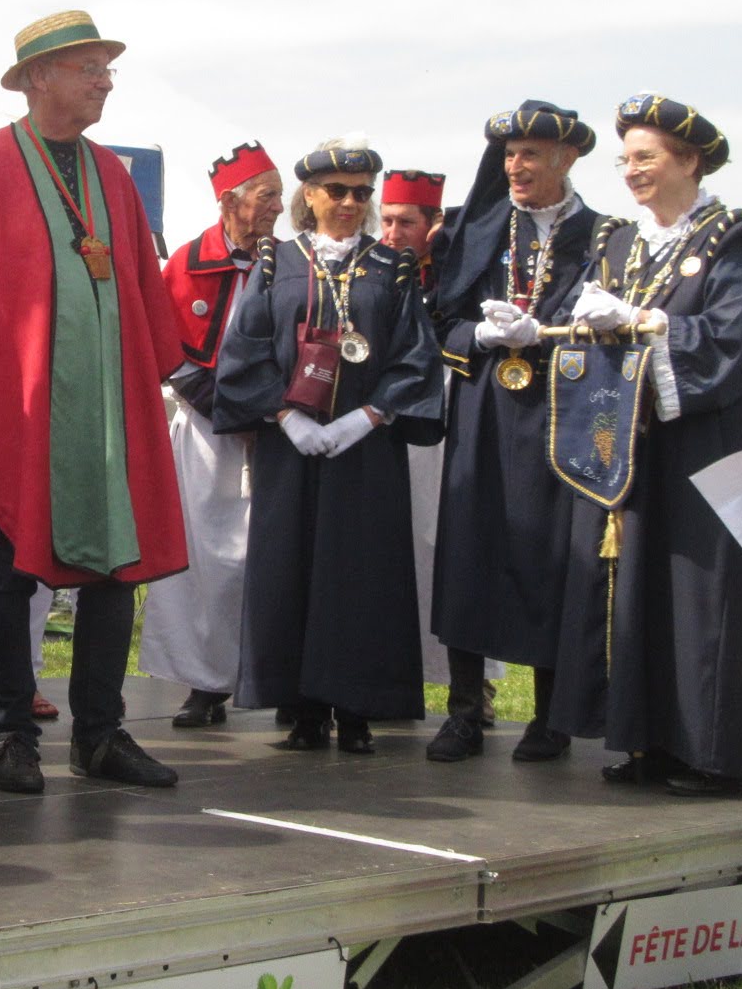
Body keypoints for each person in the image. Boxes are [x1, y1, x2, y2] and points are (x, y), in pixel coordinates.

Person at [0, 11, 186, 794]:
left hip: (104, 411)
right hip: (10, 412)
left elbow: (141, 292)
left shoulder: (113, 176)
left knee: (115, 569)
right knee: (4, 572)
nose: (105, 80)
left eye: (106, 69)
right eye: (90, 67)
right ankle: (10, 736)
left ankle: (101, 734)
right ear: (40, 77)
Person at [548, 93, 742, 795]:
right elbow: (584, 316)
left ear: (690, 160)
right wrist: (560, 326)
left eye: (645, 157)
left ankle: (713, 755)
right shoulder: (621, 242)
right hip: (635, 446)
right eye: (626, 160)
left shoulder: (730, 240)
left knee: (703, 596)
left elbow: (731, 341)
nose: (631, 171)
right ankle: (648, 740)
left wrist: (645, 322)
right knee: (637, 588)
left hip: (704, 445)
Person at [214, 139, 445, 752]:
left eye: (361, 193)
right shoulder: (275, 262)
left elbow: (415, 357)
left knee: (361, 572)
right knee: (291, 567)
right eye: (336, 191)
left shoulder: (392, 268)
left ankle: (360, 709)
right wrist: (285, 417)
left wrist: (368, 416)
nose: (349, 202)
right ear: (308, 196)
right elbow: (246, 349)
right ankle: (305, 709)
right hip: (292, 447)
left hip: (365, 450)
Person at [423, 103, 601, 764]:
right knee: (468, 554)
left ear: (567, 157)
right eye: (509, 155)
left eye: (530, 153)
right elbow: (439, 329)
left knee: (552, 557)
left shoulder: (605, 236)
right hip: (483, 413)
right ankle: (466, 711)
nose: (517, 167)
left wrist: (554, 339)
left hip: (560, 414)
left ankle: (550, 716)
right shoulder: (472, 231)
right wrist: (482, 335)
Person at [141, 142, 284, 728]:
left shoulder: (290, 260)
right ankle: (205, 682)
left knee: (275, 557)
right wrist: (218, 405)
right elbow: (165, 337)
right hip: (205, 431)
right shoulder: (186, 260)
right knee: (204, 558)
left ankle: (281, 679)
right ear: (230, 201)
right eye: (266, 195)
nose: (278, 206)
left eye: (279, 194)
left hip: (277, 431)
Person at [374, 167, 455, 703]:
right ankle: (390, 669)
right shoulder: (373, 271)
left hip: (444, 425)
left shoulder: (455, 278)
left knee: (443, 545)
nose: (392, 234)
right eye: (386, 221)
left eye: (406, 222)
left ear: (433, 224)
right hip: (387, 424)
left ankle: (464, 683)